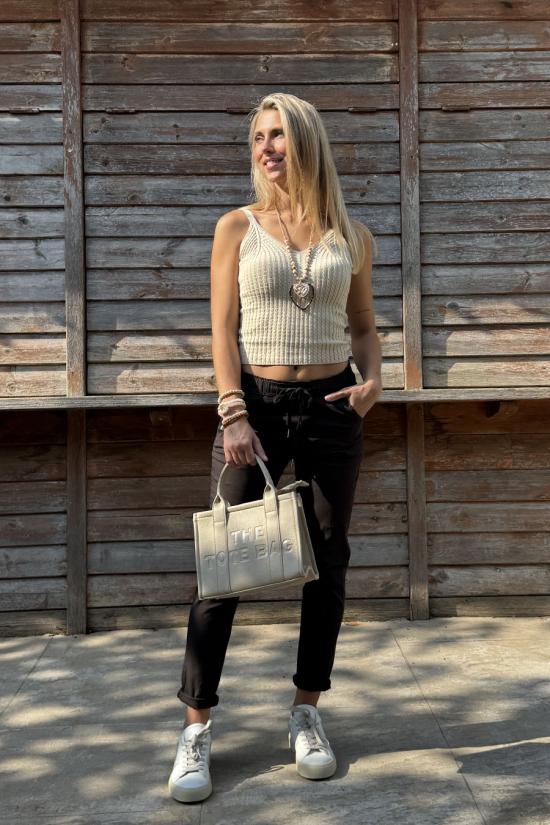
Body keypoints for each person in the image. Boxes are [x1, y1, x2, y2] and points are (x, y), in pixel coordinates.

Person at [168, 92, 382, 803]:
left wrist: (374, 380)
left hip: (331, 406)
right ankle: (196, 727)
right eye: (259, 136)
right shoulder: (237, 227)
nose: (266, 147)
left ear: (306, 143)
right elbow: (222, 328)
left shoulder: (352, 235)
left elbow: (363, 327)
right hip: (253, 407)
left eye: (279, 136)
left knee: (328, 560)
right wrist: (232, 411)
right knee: (221, 565)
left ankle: (306, 711)